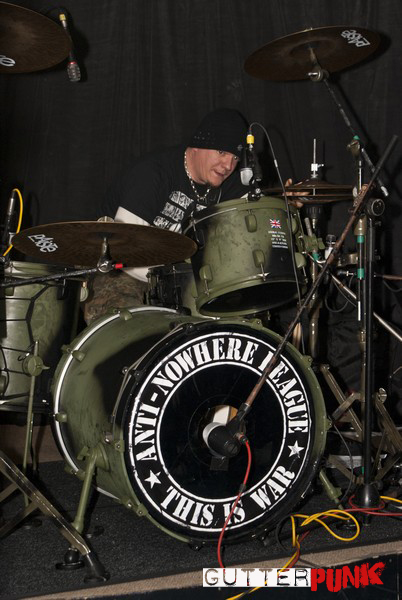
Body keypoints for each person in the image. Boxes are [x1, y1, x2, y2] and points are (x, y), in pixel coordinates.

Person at [84, 108, 250, 322]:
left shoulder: (229, 183)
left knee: (234, 316)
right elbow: (125, 251)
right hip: (121, 270)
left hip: (180, 279)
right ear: (198, 145)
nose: (228, 165)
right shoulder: (153, 174)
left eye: (235, 157)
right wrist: (180, 281)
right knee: (126, 324)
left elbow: (256, 214)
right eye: (221, 152)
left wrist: (285, 201)